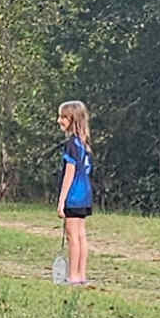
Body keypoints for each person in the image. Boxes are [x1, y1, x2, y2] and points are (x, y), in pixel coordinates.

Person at [53, 102, 94, 288]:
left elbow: (69, 174)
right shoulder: (84, 144)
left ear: (72, 120)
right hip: (85, 196)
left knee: (72, 237)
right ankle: (82, 274)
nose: (59, 121)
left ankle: (73, 276)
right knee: (81, 236)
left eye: (63, 117)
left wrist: (61, 201)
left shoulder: (71, 145)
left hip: (73, 196)